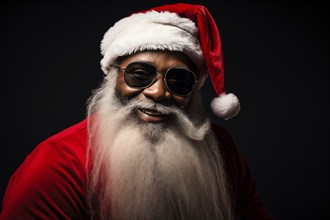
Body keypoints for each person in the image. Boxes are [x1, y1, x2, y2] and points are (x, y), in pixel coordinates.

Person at [0, 3, 273, 220]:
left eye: (179, 80)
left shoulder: (220, 148)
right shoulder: (57, 164)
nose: (158, 93)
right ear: (113, 77)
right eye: (140, 74)